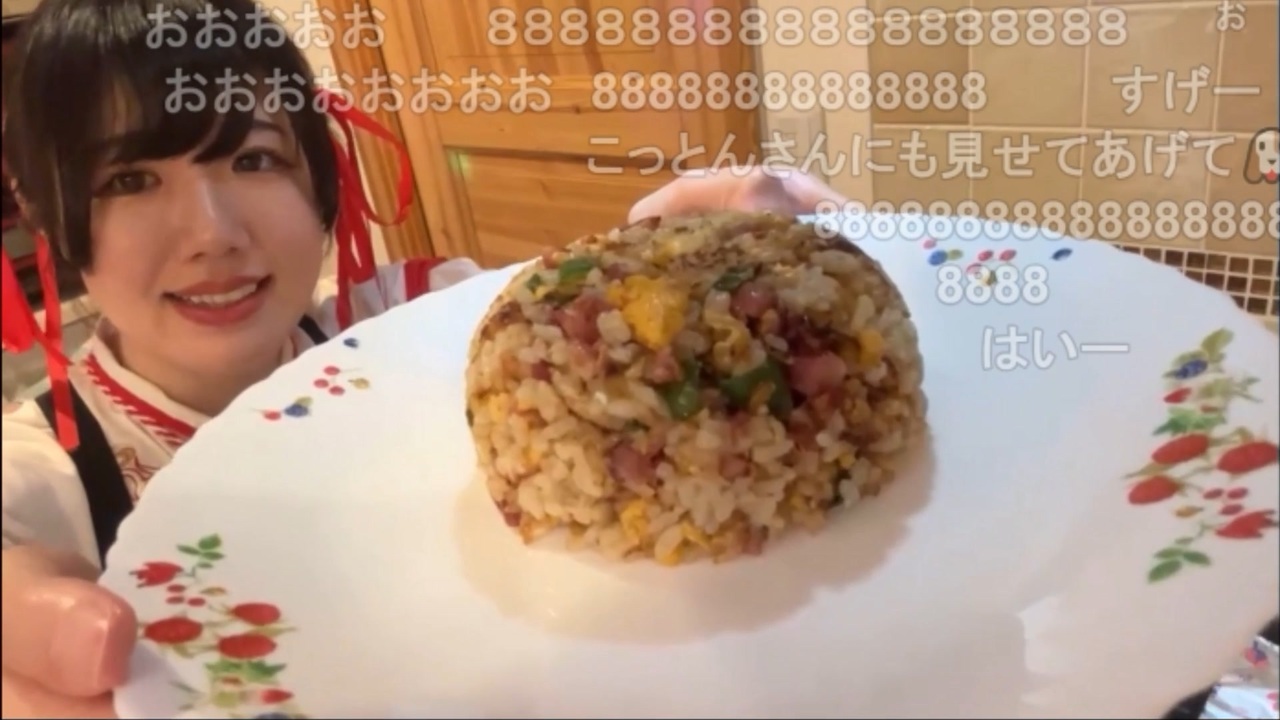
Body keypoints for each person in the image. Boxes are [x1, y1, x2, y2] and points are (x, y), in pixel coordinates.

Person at [0, 0, 851, 716]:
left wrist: (678, 260)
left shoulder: (407, 315)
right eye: (129, 181)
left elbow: (568, 319)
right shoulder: (46, 476)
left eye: (253, 159)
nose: (212, 234)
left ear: (319, 173)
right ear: (41, 209)